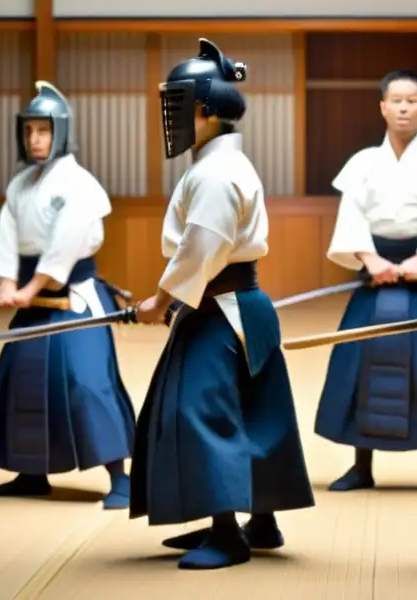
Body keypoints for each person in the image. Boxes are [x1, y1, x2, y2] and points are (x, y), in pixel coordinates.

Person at [129, 38, 314, 571]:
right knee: (255, 412)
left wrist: (160, 300)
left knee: (199, 414)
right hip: (236, 305)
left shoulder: (215, 172)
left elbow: (201, 248)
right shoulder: (218, 165)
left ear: (206, 111)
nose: (173, 117)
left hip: (219, 308)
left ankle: (227, 532)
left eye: (179, 104)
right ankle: (262, 519)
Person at [0, 81, 136, 509]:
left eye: (43, 131)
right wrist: (7, 283)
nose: (34, 139)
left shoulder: (79, 184)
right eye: (28, 131)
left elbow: (66, 243)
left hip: (75, 299)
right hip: (34, 302)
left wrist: (30, 287)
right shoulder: (21, 185)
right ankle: (31, 472)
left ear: (60, 132)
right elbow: (6, 241)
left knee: (87, 382)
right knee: (22, 382)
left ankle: (120, 477)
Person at [314, 70, 417, 490]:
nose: (403, 108)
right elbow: (351, 217)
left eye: (411, 101)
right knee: (360, 366)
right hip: (374, 273)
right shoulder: (362, 163)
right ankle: (361, 465)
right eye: (395, 100)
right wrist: (370, 259)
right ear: (382, 107)